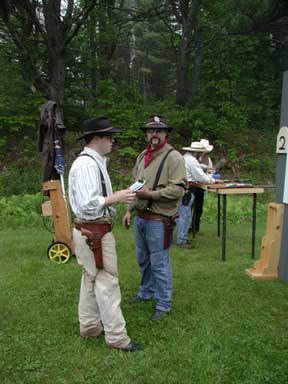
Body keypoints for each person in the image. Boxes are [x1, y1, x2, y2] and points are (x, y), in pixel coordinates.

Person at [68, 116, 143, 352]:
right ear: (96, 138)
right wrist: (118, 197)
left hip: (91, 231)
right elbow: (90, 205)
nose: (113, 141)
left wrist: (116, 198)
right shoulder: (87, 164)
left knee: (91, 277)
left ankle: (90, 326)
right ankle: (117, 337)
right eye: (109, 136)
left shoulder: (94, 162)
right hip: (94, 233)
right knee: (107, 281)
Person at [122, 115, 186, 321]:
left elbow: (179, 188)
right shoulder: (142, 156)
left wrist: (152, 195)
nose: (154, 134)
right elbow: (135, 186)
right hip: (141, 217)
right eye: (151, 131)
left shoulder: (174, 157)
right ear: (147, 134)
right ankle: (146, 293)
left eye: (159, 130)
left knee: (159, 262)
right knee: (143, 259)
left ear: (166, 133)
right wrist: (128, 210)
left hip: (159, 220)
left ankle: (164, 304)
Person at [176, 139, 216, 248]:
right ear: (197, 152)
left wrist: (203, 168)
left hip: (182, 188)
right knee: (185, 215)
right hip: (187, 189)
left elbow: (196, 169)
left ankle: (181, 238)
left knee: (182, 215)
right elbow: (200, 177)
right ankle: (182, 240)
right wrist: (211, 178)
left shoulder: (185, 157)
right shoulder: (192, 161)